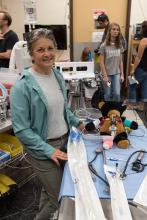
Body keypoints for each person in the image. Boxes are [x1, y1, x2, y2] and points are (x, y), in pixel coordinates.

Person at [10, 28, 85, 220]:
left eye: (50, 48)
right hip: (43, 149)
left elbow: (63, 110)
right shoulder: (22, 86)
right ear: (31, 55)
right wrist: (48, 150)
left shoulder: (57, 76)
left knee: (50, 189)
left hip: (65, 142)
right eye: (40, 50)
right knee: (59, 198)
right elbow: (22, 129)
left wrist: (79, 123)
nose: (47, 54)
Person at [99, 22, 124, 101]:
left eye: (117, 30)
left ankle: (114, 110)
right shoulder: (104, 45)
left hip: (116, 73)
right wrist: (105, 76)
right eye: (113, 29)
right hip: (107, 74)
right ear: (109, 31)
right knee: (108, 93)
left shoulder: (120, 45)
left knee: (117, 93)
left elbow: (121, 61)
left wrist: (122, 75)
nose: (116, 31)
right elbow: (101, 62)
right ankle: (107, 111)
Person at [128, 20, 147, 111]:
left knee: (132, 85)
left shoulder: (144, 40)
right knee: (144, 86)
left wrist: (132, 69)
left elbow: (139, 57)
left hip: (141, 67)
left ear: (143, 29)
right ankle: (141, 106)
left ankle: (131, 105)